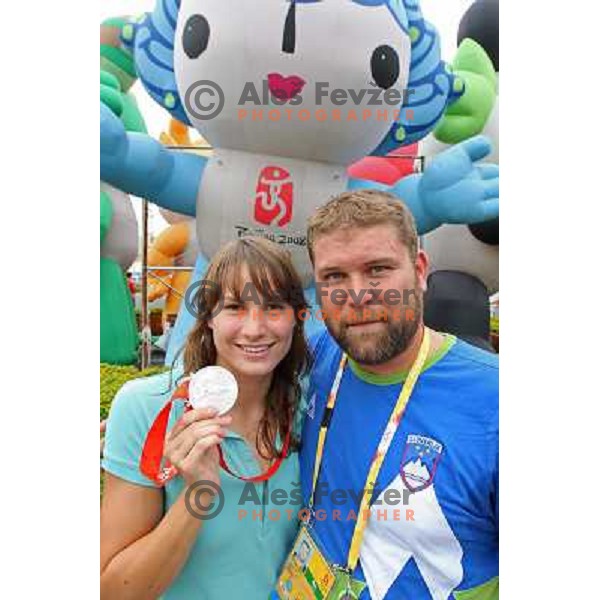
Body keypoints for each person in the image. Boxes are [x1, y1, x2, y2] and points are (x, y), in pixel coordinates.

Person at [298, 190, 499, 599]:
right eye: (335, 277)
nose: (357, 295)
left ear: (420, 270)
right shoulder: (317, 358)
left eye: (378, 269)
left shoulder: (497, 401)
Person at [101, 237, 311, 600]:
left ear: (297, 317)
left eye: (274, 307)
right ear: (208, 318)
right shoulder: (145, 407)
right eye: (234, 307)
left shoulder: (309, 406)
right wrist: (197, 494)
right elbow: (113, 591)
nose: (255, 328)